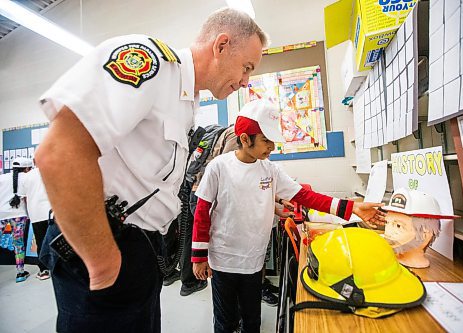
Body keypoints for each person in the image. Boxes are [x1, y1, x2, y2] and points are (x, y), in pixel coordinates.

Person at [35, 7, 268, 333]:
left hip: (139, 246)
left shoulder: (187, 100)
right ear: (221, 45)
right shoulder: (152, 64)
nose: (246, 81)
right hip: (106, 240)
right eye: (246, 67)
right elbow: (58, 154)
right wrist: (103, 263)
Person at [191, 99, 386, 333]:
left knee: (252, 320)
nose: (271, 147)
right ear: (245, 139)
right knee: (226, 322)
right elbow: (202, 212)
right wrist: (199, 257)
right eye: (266, 140)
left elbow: (306, 196)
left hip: (253, 261)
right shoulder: (218, 167)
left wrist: (352, 208)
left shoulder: (269, 170)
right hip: (223, 260)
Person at [17, 160, 52, 280]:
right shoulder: (50, 170)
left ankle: (44, 270)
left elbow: (24, 198)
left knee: (41, 242)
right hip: (51, 212)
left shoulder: (27, 177)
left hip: (35, 213)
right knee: (57, 240)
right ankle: (59, 270)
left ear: (33, 162)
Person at [0, 157, 33, 282]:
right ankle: (20, 273)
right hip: (19, 215)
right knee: (18, 244)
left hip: (2, 214)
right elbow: (26, 199)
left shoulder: (2, 177)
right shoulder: (26, 178)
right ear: (26, 168)